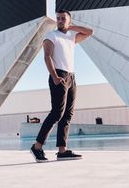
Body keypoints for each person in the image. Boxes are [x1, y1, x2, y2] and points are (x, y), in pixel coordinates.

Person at [30, 9, 94, 162]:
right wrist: (55, 77)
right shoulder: (51, 36)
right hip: (59, 75)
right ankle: (37, 146)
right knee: (57, 113)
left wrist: (72, 28)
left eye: (62, 18)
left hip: (71, 76)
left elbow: (90, 32)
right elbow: (47, 57)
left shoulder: (71, 37)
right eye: (58, 18)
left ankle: (62, 150)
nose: (59, 21)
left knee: (68, 114)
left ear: (68, 21)